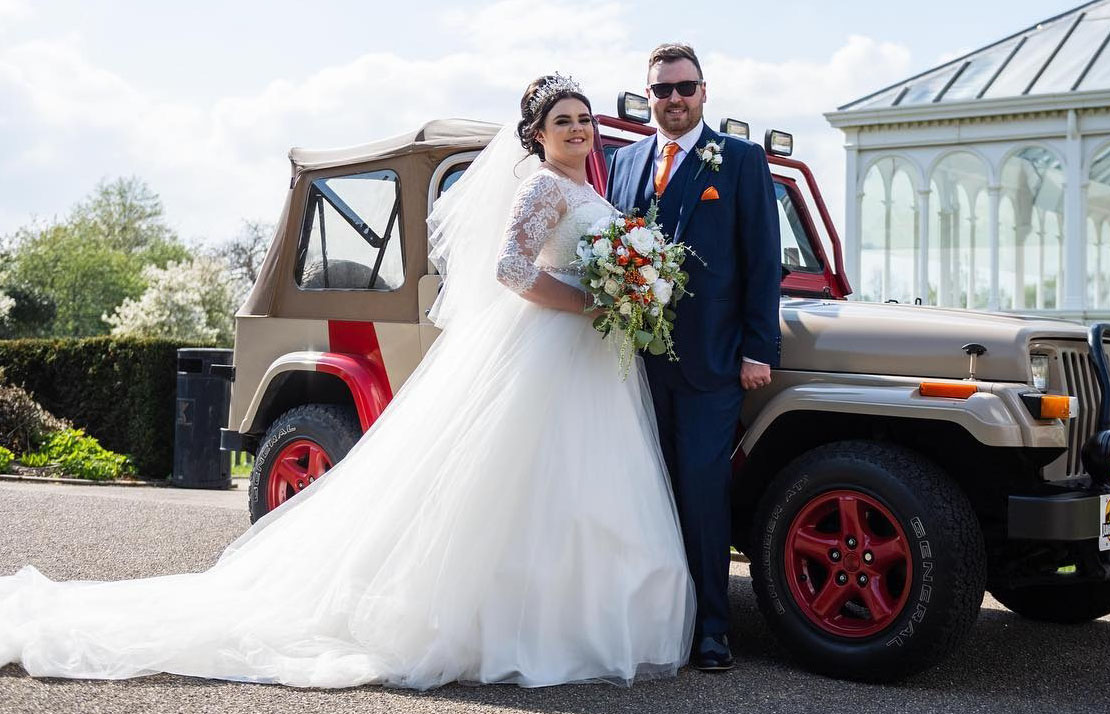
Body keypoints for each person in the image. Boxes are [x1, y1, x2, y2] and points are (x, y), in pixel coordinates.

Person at [0, 75, 694, 690]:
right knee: (522, 477)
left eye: (584, 119)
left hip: (589, 356)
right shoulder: (543, 186)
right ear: (537, 136)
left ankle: (577, 616)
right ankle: (512, 625)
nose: (578, 129)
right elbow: (510, 269)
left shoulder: (587, 189)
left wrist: (625, 292)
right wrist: (592, 301)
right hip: (549, 341)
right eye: (563, 121)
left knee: (579, 482)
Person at [606, 43, 782, 672]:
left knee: (703, 494)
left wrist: (759, 349)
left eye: (685, 88)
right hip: (633, 366)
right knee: (639, 491)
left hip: (713, 363)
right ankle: (654, 624)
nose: (673, 99)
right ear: (648, 95)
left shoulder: (739, 160)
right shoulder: (622, 162)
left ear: (704, 91)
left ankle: (711, 629)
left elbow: (764, 262)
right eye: (661, 90)